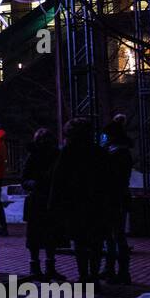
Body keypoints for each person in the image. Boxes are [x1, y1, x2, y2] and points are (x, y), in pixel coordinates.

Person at [48, 118, 110, 283]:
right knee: (96, 243)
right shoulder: (99, 153)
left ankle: (84, 276)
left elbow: (58, 181)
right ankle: (94, 276)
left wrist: (54, 205)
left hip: (74, 204)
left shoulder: (68, 153)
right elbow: (109, 180)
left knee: (80, 242)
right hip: (97, 204)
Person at [20, 127, 60, 278]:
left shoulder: (53, 155)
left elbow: (24, 179)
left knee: (47, 234)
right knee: (39, 234)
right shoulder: (36, 156)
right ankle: (39, 267)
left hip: (42, 198)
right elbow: (24, 179)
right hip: (41, 198)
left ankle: (40, 267)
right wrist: (35, 184)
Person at [101, 116, 134, 285]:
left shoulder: (118, 154)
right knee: (112, 236)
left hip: (115, 198)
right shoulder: (119, 152)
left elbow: (111, 177)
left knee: (116, 236)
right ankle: (111, 268)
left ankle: (120, 271)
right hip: (116, 197)